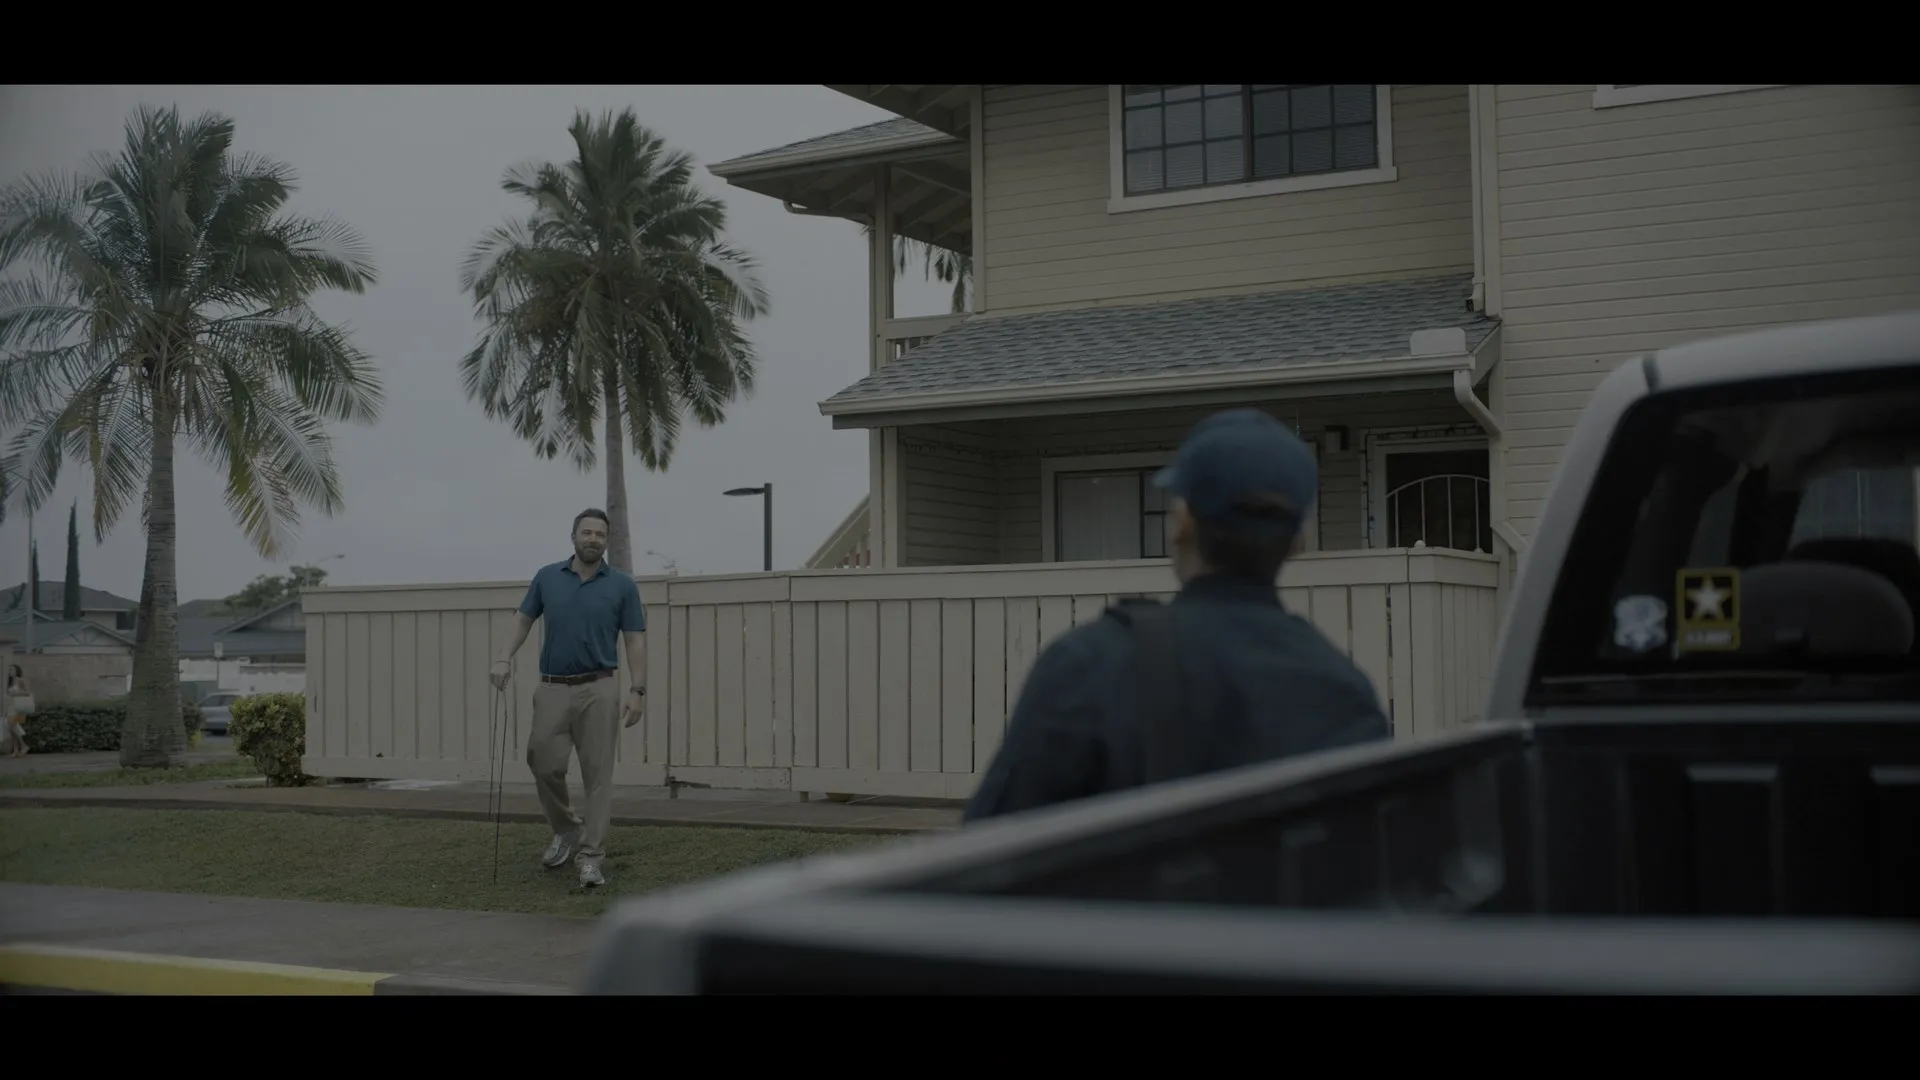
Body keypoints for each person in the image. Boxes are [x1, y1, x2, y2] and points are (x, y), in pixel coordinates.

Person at [964, 408, 1391, 824]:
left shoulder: (1088, 667)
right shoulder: (1346, 695)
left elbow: (983, 851)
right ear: (1298, 541)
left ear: (1182, 522)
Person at [490, 508, 648, 888]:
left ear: (606, 541)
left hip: (600, 687)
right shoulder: (547, 577)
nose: (593, 539)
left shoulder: (622, 586)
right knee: (542, 761)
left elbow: (634, 639)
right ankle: (566, 828)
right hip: (552, 687)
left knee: (598, 776)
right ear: (573, 536)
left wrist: (637, 690)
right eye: (586, 532)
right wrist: (503, 657)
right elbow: (523, 619)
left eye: (600, 534)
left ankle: (591, 857)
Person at [5, 665, 31, 758]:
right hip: (11, 707)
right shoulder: (10, 682)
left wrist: (16, 693)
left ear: (17, 671)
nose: (10, 671)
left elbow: (27, 692)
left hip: (19, 707)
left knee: (11, 725)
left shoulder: (21, 680)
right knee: (12, 728)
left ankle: (24, 745)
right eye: (9, 670)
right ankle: (16, 750)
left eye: (12, 669)